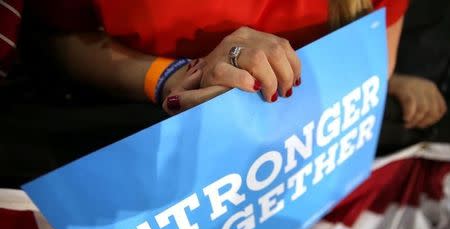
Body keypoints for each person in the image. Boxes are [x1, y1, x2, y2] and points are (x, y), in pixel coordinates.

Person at [28, 0, 408, 116]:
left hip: (305, 178)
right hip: (141, 141)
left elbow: (376, 61)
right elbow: (59, 39)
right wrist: (170, 77)